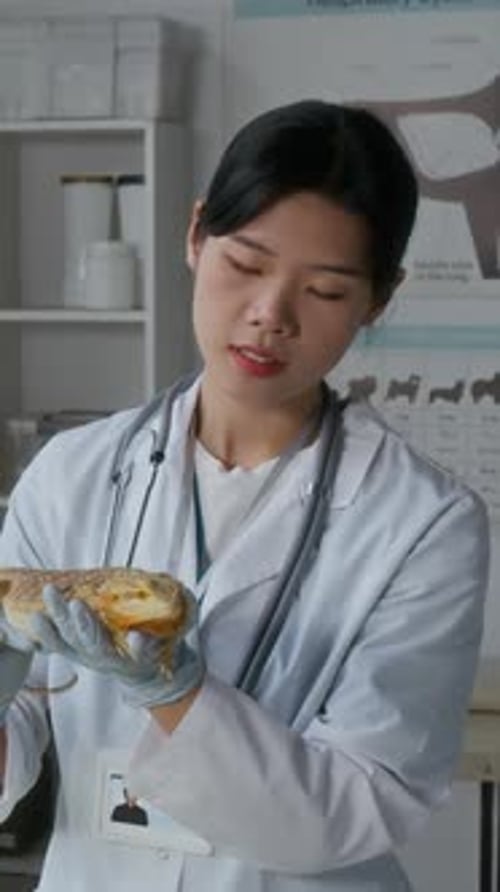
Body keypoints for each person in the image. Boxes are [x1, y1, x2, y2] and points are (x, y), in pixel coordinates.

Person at [0, 100, 489, 891]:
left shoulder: (423, 524)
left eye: (326, 291)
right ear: (196, 236)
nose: (270, 316)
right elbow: (20, 735)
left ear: (379, 298)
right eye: (246, 265)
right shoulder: (73, 474)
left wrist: (178, 694)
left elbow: (360, 802)